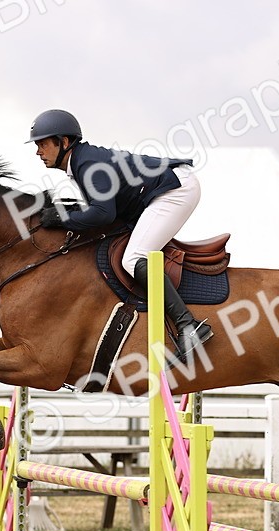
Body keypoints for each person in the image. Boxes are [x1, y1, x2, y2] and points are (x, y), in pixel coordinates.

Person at [27, 109, 213, 360]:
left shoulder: (87, 163)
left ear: (64, 142)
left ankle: (189, 327)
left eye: (42, 144)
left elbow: (103, 214)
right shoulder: (81, 162)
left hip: (176, 191)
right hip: (159, 192)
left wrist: (62, 219)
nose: (38, 151)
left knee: (133, 258)